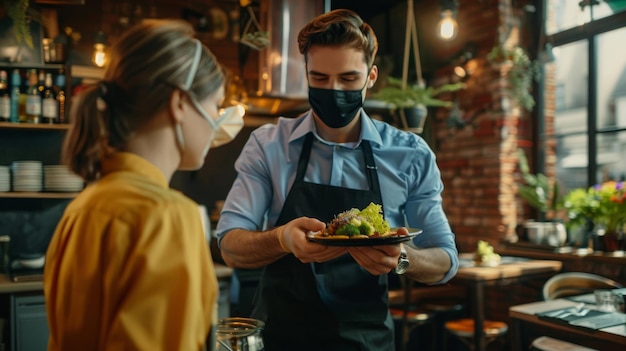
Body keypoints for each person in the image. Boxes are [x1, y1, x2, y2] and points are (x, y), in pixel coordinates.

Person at [216, 8, 458, 351]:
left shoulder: (410, 154)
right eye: (320, 78)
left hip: (366, 341)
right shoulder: (269, 145)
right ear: (307, 75)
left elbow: (446, 260)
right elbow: (230, 246)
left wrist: (402, 259)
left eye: (348, 79)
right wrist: (283, 238)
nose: (333, 90)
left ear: (370, 77)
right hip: (281, 337)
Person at [43, 19, 243, 350]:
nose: (218, 120)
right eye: (215, 105)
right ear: (180, 103)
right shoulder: (168, 216)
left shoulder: (84, 205)